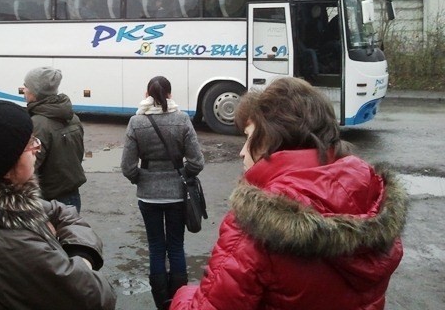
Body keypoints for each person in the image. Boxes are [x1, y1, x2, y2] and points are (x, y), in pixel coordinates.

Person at [170, 77, 408, 310]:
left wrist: (183, 295)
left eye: (249, 137)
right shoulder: (370, 194)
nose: (242, 152)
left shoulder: (257, 223)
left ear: (274, 140)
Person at [0, 99, 116, 310]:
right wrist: (82, 259)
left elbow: (60, 211)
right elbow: (98, 297)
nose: (37, 147)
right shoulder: (11, 245)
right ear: (5, 164)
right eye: (29, 144)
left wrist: (70, 248)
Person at [121, 76, 205, 310]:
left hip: (148, 196)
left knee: (156, 248)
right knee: (176, 246)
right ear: (169, 94)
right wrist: (181, 173)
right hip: (178, 194)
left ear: (147, 93)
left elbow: (127, 167)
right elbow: (197, 162)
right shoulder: (182, 120)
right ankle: (178, 302)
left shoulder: (136, 122)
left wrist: (141, 178)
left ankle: (161, 303)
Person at [23, 66, 86, 212]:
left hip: (48, 200)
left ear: (35, 92)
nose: (23, 90)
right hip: (72, 195)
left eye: (26, 86)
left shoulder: (38, 124)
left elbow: (30, 167)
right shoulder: (73, 118)